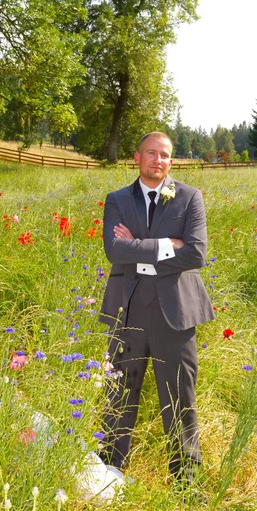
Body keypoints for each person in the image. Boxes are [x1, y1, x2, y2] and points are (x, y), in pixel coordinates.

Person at [99, 132, 215, 485]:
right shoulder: (117, 199)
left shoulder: (190, 198)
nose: (158, 160)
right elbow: (114, 251)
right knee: (118, 394)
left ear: (171, 161)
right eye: (152, 153)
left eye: (165, 155)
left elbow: (196, 253)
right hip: (128, 309)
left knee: (180, 397)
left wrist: (139, 248)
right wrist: (167, 245)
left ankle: (185, 484)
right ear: (138, 157)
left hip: (175, 315)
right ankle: (108, 475)